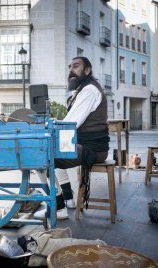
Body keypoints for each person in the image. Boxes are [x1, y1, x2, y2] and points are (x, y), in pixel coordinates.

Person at [35, 57, 110, 220]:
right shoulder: (83, 90)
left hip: (93, 149)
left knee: (40, 158)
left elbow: (72, 123)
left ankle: (58, 207)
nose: (71, 70)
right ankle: (67, 199)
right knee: (55, 149)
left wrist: (49, 127)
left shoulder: (90, 90)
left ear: (87, 70)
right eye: (69, 67)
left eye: (76, 66)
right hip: (88, 145)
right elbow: (71, 120)